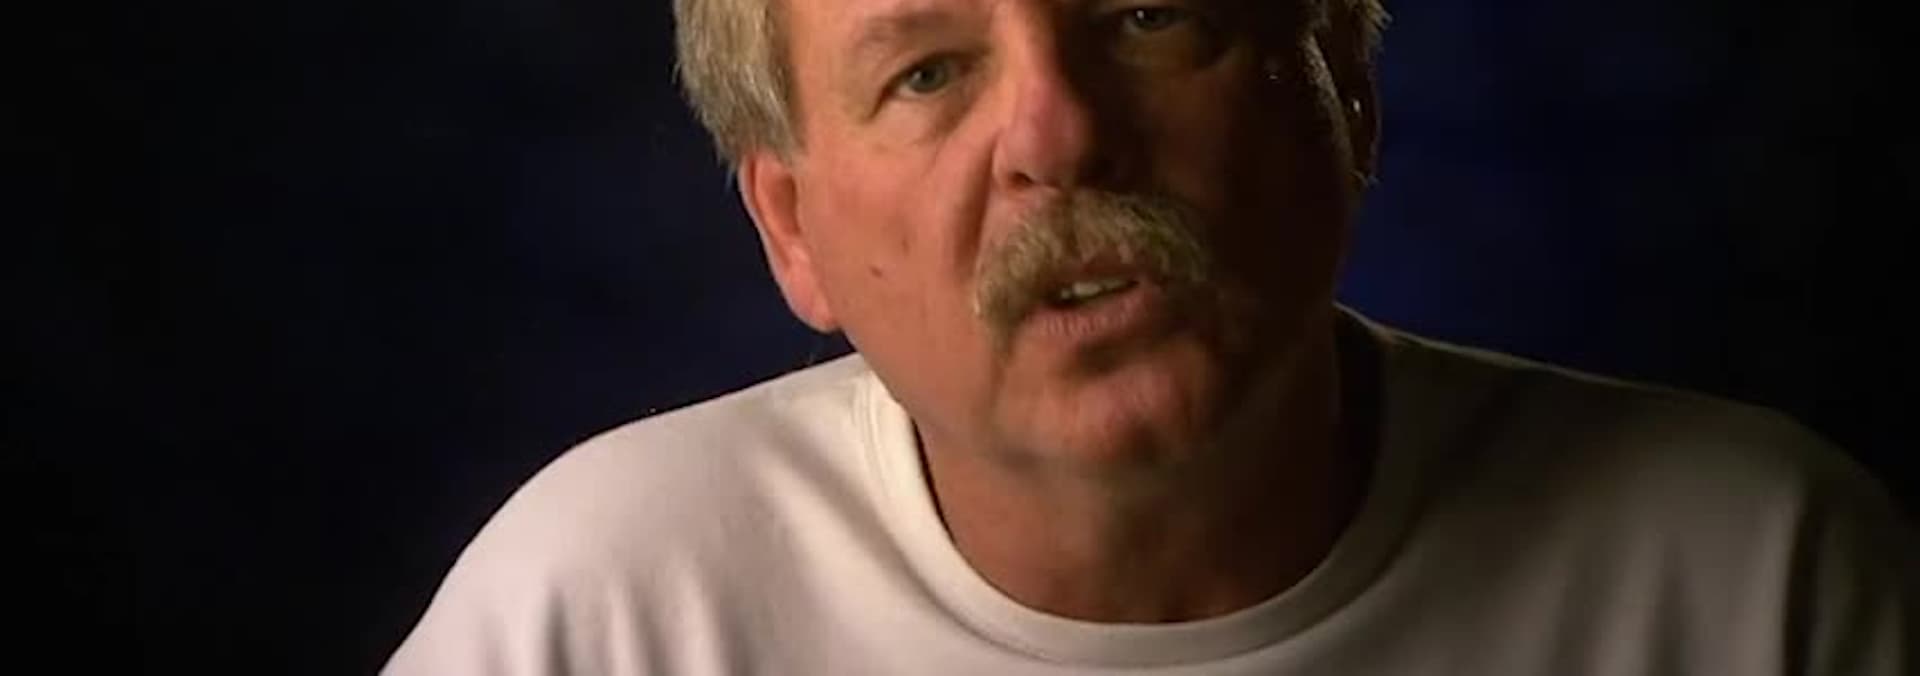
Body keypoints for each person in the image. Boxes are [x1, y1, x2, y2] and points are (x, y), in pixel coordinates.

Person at [384, 0, 1914, 672]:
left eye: (1148, 16)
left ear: (1345, 91)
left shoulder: (1757, 581)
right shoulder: (600, 617)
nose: (1058, 134)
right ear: (793, 229)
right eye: (927, 73)